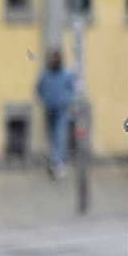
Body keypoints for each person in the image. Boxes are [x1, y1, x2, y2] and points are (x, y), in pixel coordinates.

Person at [37, 48, 77, 178]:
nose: (53, 61)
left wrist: (68, 101)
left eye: (56, 58)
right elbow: (39, 88)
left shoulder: (66, 74)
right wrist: (44, 99)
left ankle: (58, 163)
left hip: (62, 110)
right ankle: (55, 161)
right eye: (52, 58)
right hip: (50, 109)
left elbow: (72, 89)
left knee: (60, 135)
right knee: (52, 136)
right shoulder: (46, 75)